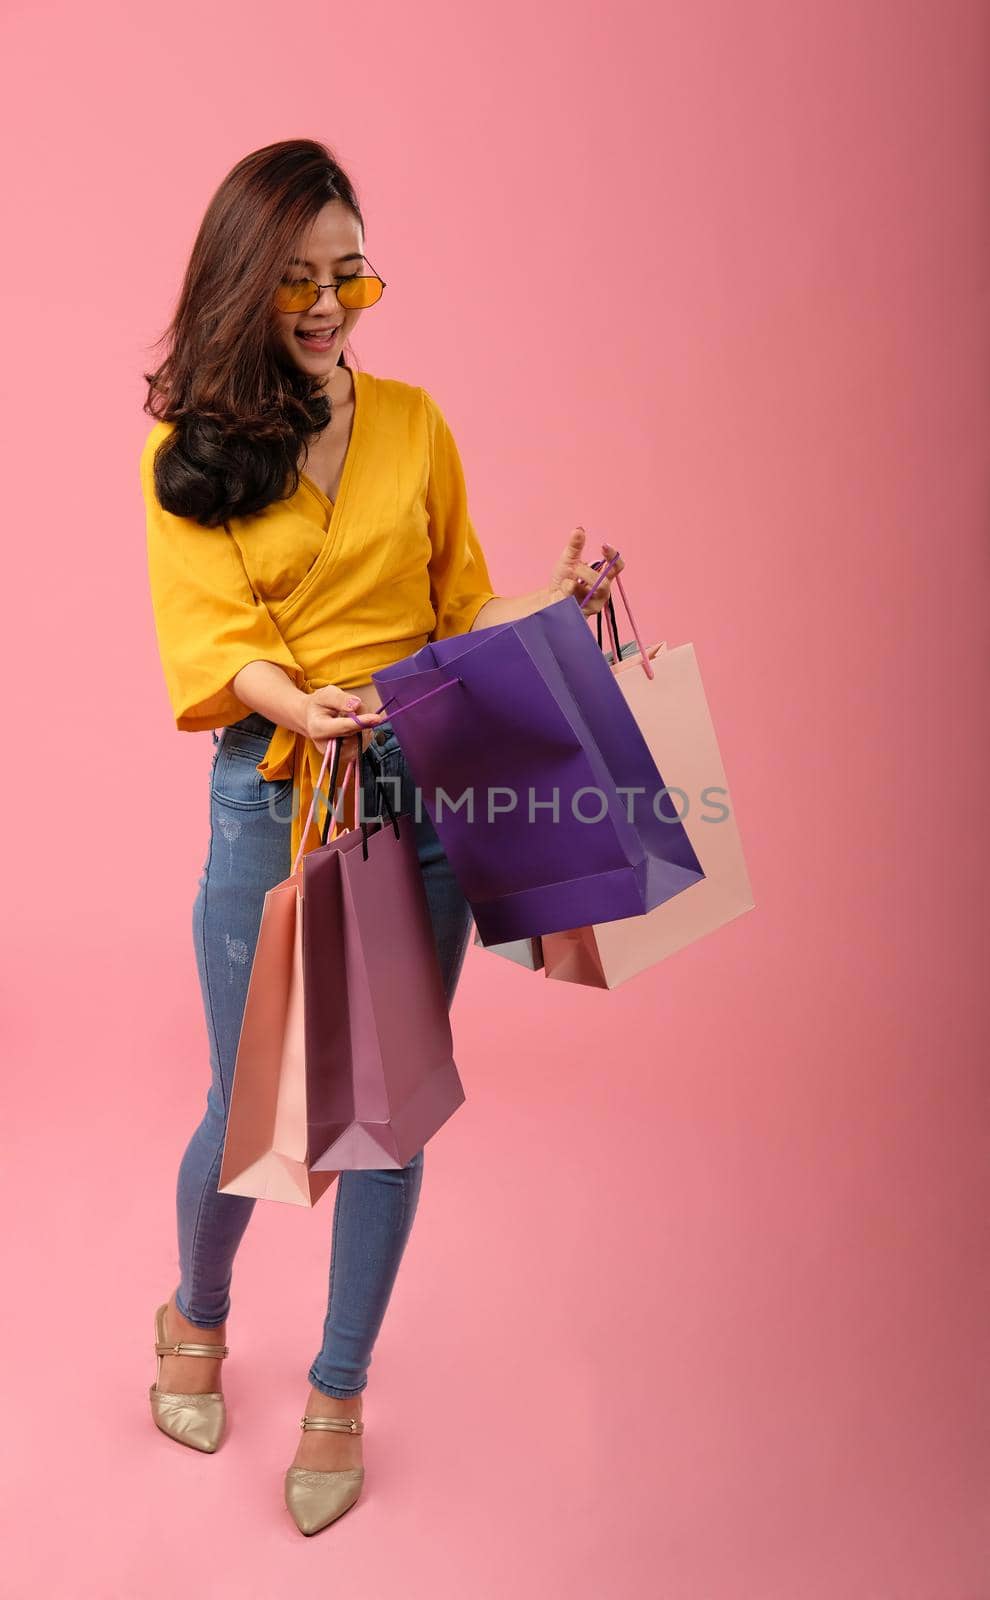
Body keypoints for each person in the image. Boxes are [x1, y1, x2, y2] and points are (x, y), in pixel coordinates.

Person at [140, 137, 621, 1537]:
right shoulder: (192, 456)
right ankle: (196, 1315)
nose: (326, 300)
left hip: (424, 784)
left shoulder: (414, 422)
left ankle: (338, 1393)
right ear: (245, 286)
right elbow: (216, 643)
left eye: (346, 268)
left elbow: (458, 620)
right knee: (254, 1108)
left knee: (386, 1116)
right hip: (279, 789)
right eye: (293, 276)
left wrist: (559, 601)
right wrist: (308, 702)